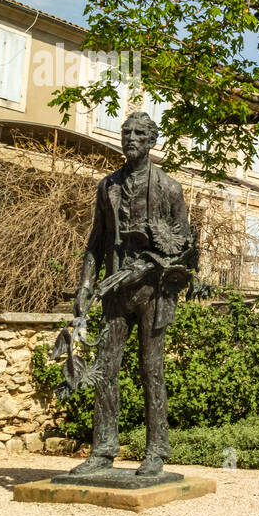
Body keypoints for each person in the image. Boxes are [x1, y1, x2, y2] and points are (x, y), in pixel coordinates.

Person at [65, 112, 195, 478]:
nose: (130, 138)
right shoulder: (108, 186)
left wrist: (146, 267)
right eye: (126, 132)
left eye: (139, 133)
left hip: (154, 293)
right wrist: (86, 285)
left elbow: (183, 249)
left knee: (151, 370)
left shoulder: (169, 188)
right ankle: (103, 450)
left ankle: (156, 450)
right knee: (105, 369)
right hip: (114, 294)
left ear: (153, 141)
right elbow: (96, 241)